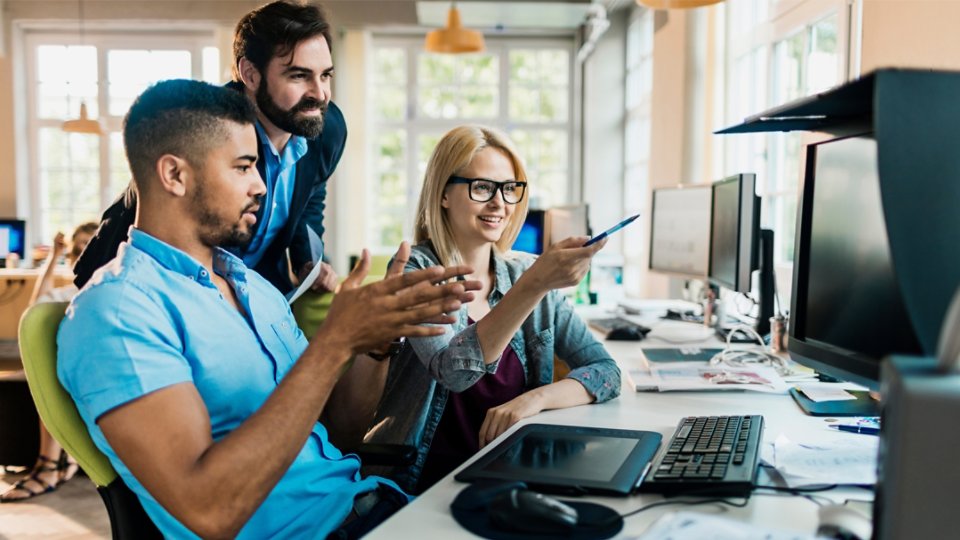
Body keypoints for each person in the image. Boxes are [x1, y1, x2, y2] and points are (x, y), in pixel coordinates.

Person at [57, 79, 478, 539]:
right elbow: (209, 510)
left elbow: (337, 433)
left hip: (373, 506)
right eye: (243, 167)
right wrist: (334, 343)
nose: (261, 185)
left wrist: (370, 348)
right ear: (174, 175)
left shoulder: (253, 287)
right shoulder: (117, 313)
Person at [364, 125, 622, 493]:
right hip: (423, 484)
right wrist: (534, 285)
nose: (499, 203)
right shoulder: (416, 271)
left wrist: (536, 399)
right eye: (482, 187)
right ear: (443, 195)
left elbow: (607, 373)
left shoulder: (527, 272)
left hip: (513, 477)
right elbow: (453, 372)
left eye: (509, 189)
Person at [74, 0, 344, 295]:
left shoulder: (327, 129)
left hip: (261, 291)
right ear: (251, 74)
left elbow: (310, 196)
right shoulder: (208, 125)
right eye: (299, 75)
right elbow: (149, 209)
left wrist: (308, 262)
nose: (320, 94)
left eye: (325, 75)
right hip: (175, 289)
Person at [0, 223, 96, 503]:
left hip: (89, 363)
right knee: (51, 356)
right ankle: (53, 463)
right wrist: (55, 256)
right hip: (64, 361)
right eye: (77, 246)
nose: (81, 250)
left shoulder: (106, 286)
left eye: (87, 244)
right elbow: (35, 307)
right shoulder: (65, 292)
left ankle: (52, 465)